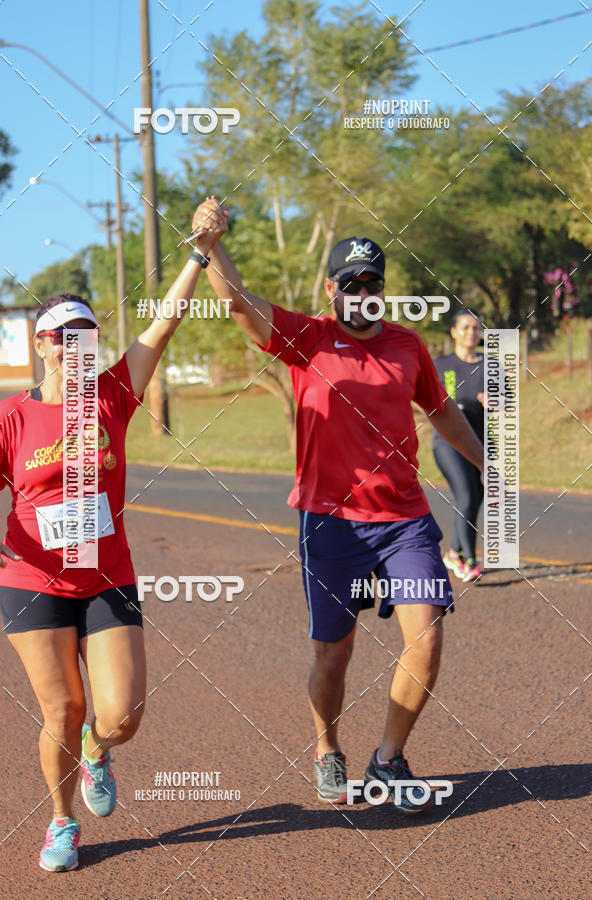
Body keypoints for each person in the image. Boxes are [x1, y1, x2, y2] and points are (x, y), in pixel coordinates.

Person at [192, 197, 484, 810]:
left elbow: (443, 412)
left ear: (383, 288)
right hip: (331, 524)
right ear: (332, 289)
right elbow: (237, 305)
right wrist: (214, 247)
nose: (362, 292)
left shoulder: (408, 348)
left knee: (426, 637)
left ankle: (388, 757)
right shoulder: (307, 337)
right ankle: (327, 749)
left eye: (372, 282)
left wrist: (492, 465)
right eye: (350, 282)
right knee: (334, 652)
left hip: (404, 520)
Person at [0, 227, 218, 872]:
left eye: (86, 337)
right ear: (42, 345)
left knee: (119, 717)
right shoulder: (11, 417)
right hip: (31, 579)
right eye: (63, 338)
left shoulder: (112, 397)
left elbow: (163, 328)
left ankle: (98, 748)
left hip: (106, 577)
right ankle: (61, 821)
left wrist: (197, 255)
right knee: (60, 708)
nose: (75, 349)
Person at [433, 310, 485, 583]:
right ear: (453, 332)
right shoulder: (442, 365)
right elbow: (440, 401)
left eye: (476, 328)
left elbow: (509, 403)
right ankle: (469, 559)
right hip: (449, 442)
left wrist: (496, 403)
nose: (471, 333)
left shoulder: (491, 366)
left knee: (475, 498)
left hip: (479, 446)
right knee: (466, 496)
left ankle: (454, 552)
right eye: (465, 327)